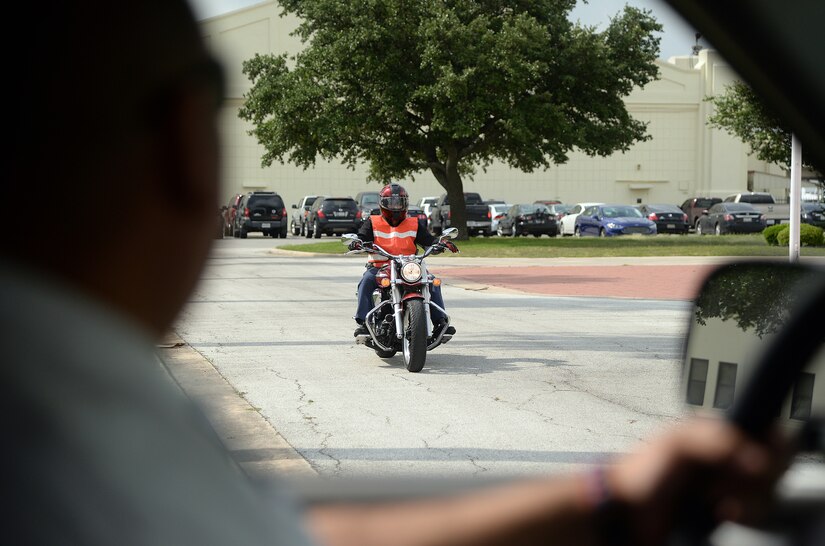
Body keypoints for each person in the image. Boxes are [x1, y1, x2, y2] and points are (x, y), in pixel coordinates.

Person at [2, 2, 790, 545]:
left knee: (433, 289)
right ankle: (363, 324)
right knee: (361, 286)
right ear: (184, 140)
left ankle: (430, 321)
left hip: (414, 272)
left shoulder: (67, 417)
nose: (389, 202)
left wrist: (606, 503)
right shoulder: (80, 431)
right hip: (379, 274)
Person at [349, 183, 457, 340]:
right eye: (391, 202)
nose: (395, 207)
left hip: (409, 267)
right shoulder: (373, 222)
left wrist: (441, 243)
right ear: (382, 203)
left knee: (432, 282)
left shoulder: (413, 223)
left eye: (399, 202)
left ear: (405, 203)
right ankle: (363, 324)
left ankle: (440, 322)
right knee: (366, 281)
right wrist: (357, 241)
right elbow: (362, 236)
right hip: (380, 267)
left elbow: (428, 240)